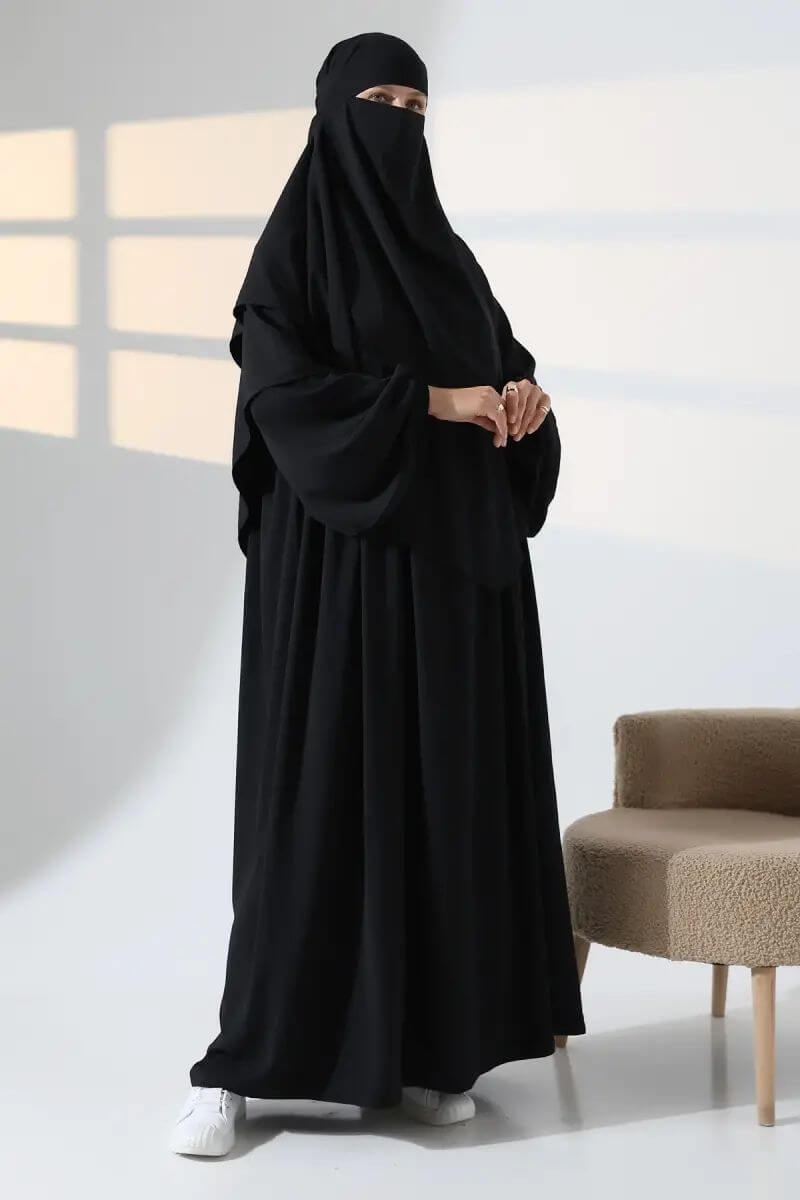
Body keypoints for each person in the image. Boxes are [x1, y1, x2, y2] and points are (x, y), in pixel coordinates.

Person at [169, 30, 585, 1157]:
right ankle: (239, 1070)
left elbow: (500, 368)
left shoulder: (449, 261)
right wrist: (435, 403)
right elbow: (283, 399)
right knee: (314, 810)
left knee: (443, 805)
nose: (398, 123)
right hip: (336, 584)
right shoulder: (293, 256)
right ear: (329, 113)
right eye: (378, 101)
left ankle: (432, 1049)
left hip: (452, 582)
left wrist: (522, 403)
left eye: (415, 106)